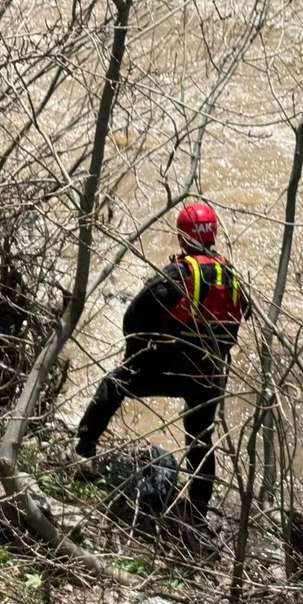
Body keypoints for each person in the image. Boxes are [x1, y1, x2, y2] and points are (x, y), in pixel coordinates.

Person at [76, 202, 251, 530]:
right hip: (211, 376)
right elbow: (233, 325)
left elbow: (134, 316)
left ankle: (84, 451)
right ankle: (196, 513)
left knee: (114, 385)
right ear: (213, 234)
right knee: (200, 438)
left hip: (170, 366)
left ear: (181, 236)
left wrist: (136, 353)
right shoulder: (233, 278)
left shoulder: (181, 274)